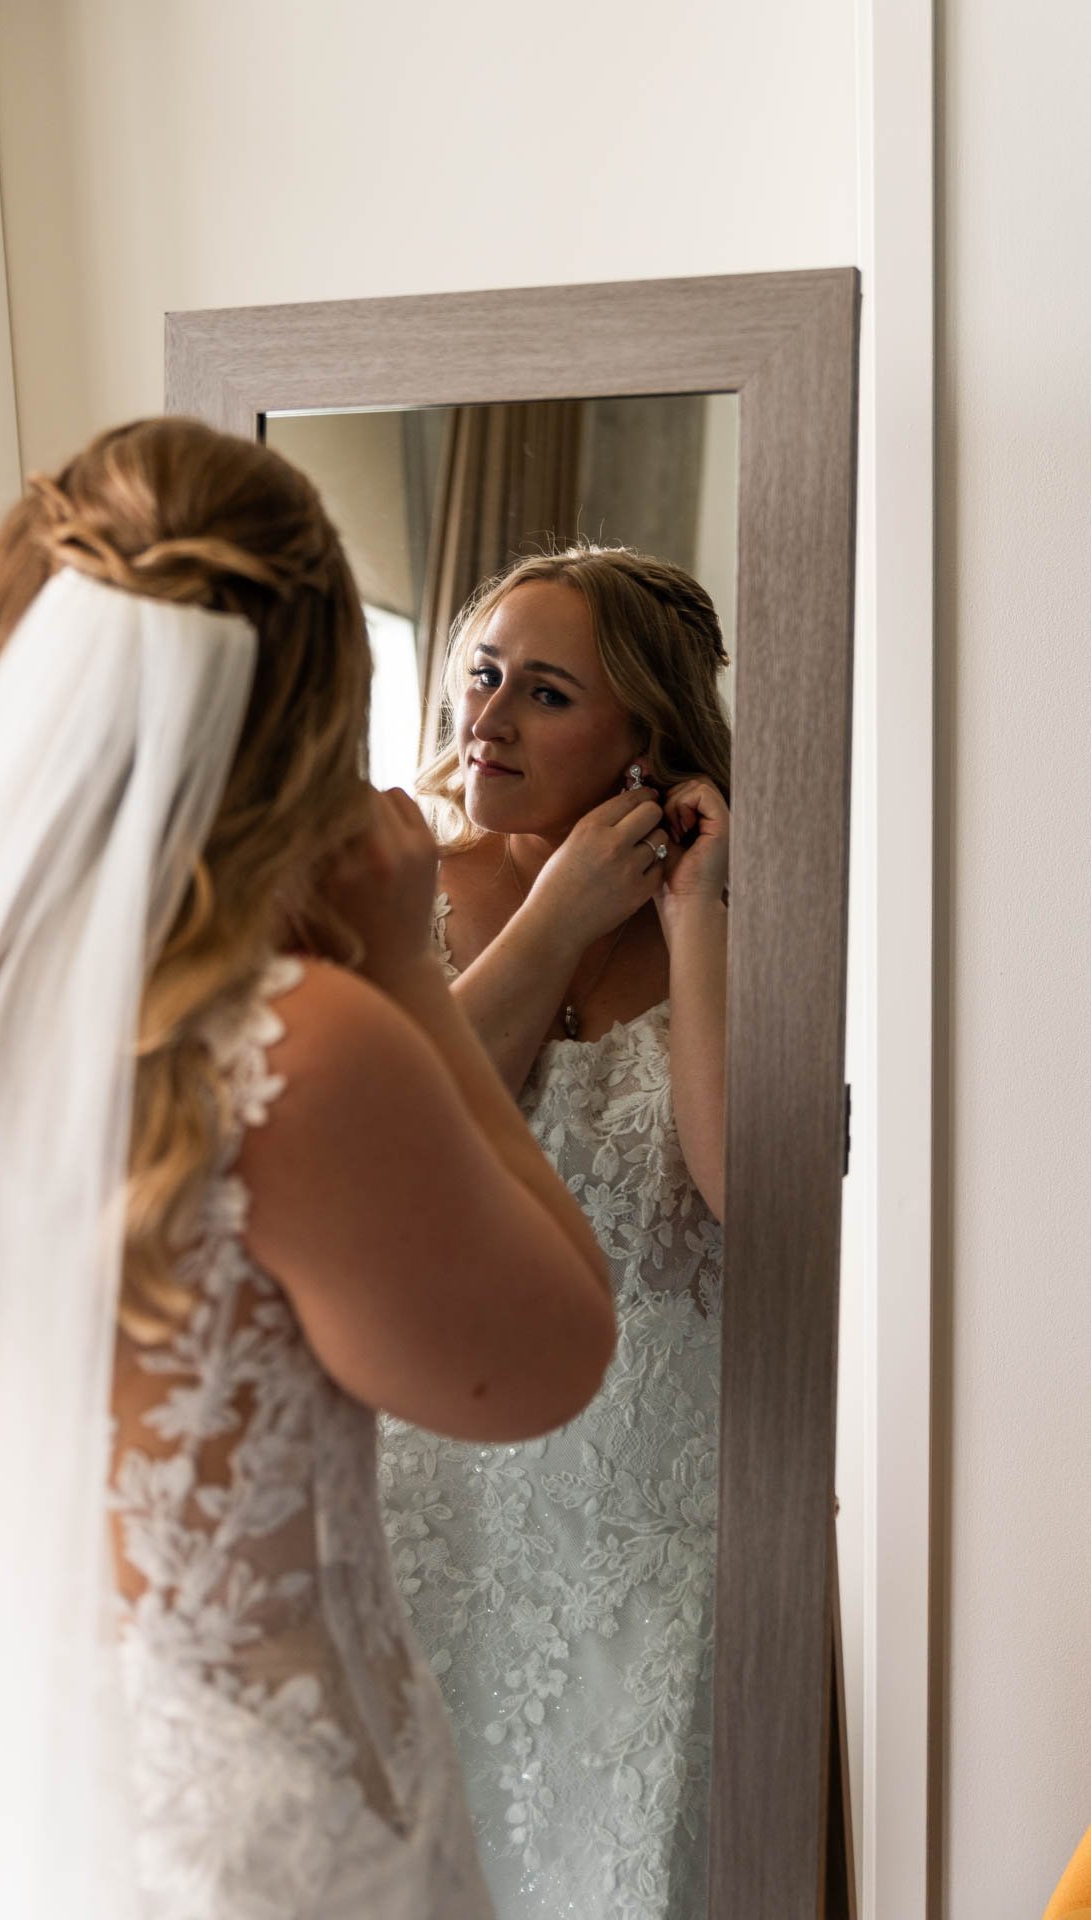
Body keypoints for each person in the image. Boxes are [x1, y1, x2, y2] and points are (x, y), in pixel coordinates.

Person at [0, 420, 617, 1919]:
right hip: (248, 1845)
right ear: (306, 719)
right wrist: (403, 968)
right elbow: (551, 1355)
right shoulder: (290, 1053)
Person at [377, 545, 731, 1920]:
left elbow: (736, 1184)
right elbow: (413, 1146)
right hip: (437, 1504)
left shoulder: (735, 912)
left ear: (641, 732)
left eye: (543, 692)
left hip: (653, 1529)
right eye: (480, 675)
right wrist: (555, 913)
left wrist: (690, 918)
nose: (486, 719)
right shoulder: (396, 879)